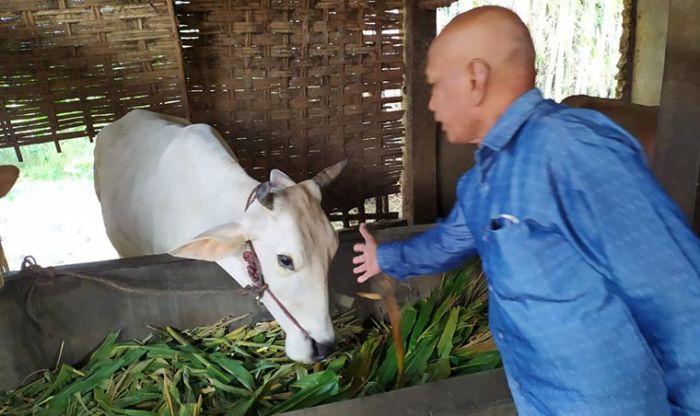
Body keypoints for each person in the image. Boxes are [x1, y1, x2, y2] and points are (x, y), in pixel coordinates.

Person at [352, 6, 700, 415]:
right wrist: (386, 256)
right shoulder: (486, 175)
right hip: (539, 395)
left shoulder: (572, 149)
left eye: (435, 85)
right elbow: (451, 241)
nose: (431, 104)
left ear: (474, 79)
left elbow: (674, 293)